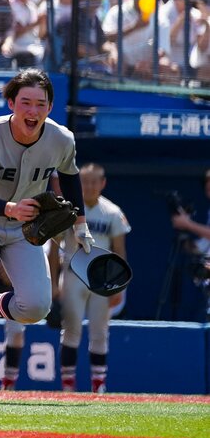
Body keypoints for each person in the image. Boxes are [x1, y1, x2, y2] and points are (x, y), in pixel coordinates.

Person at [0, 69, 84, 404]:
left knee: (36, 306)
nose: (33, 111)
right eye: (25, 102)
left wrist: (80, 225)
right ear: (11, 103)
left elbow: (70, 179)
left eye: (41, 103)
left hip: (24, 227)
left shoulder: (61, 138)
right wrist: (10, 208)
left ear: (50, 107)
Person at [57, 163, 129, 393]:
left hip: (102, 279)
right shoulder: (69, 210)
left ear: (102, 183)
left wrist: (120, 286)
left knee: (99, 332)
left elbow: (120, 250)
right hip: (73, 274)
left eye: (93, 181)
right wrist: (51, 282)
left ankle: (99, 387)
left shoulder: (112, 212)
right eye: (84, 181)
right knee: (71, 329)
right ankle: (68, 386)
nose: (88, 186)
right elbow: (52, 249)